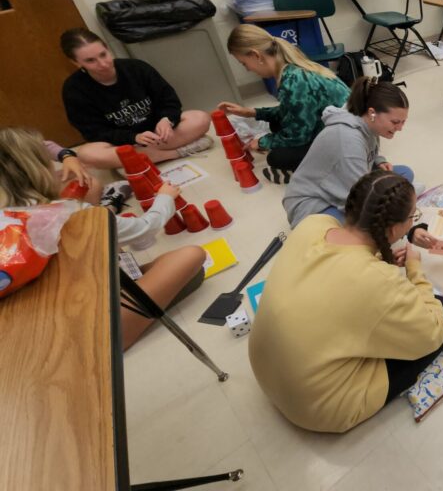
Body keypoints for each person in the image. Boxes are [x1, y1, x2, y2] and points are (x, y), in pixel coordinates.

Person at [248, 170, 443, 433]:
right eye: (412, 218)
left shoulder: (313, 224)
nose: (412, 223)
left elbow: (338, 272)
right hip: (314, 406)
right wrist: (415, 270)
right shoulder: (380, 281)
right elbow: (431, 333)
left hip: (265, 368)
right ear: (394, 228)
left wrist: (379, 258)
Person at [0, 127, 205, 350]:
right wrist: (165, 198)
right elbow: (146, 227)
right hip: (85, 322)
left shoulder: (8, 217)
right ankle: (119, 333)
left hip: (41, 313)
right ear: (39, 170)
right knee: (192, 256)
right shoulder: (73, 215)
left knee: (169, 269)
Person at [282, 78, 421, 235]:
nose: (400, 128)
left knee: (405, 174)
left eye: (403, 122)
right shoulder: (348, 143)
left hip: (342, 184)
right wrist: (407, 227)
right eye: (396, 122)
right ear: (372, 113)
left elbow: (368, 151)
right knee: (359, 232)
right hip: (312, 205)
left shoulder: (366, 122)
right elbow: (363, 200)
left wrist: (378, 161)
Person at [59, 28, 212, 170]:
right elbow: (93, 132)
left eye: (103, 54)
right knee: (87, 154)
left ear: (107, 48)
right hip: (124, 143)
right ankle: (174, 153)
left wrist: (166, 119)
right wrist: (133, 137)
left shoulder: (137, 68)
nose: (103, 63)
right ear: (76, 63)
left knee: (200, 118)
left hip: (158, 134)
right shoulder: (74, 89)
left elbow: (169, 100)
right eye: (90, 61)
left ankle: (135, 161)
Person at [218, 24, 351, 184]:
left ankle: (315, 172)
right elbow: (292, 112)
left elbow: (298, 136)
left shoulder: (293, 81)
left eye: (244, 63)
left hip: (348, 143)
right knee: (277, 125)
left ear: (256, 55)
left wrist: (263, 141)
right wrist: (252, 112)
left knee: (277, 157)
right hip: (342, 130)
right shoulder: (293, 70)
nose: (247, 69)